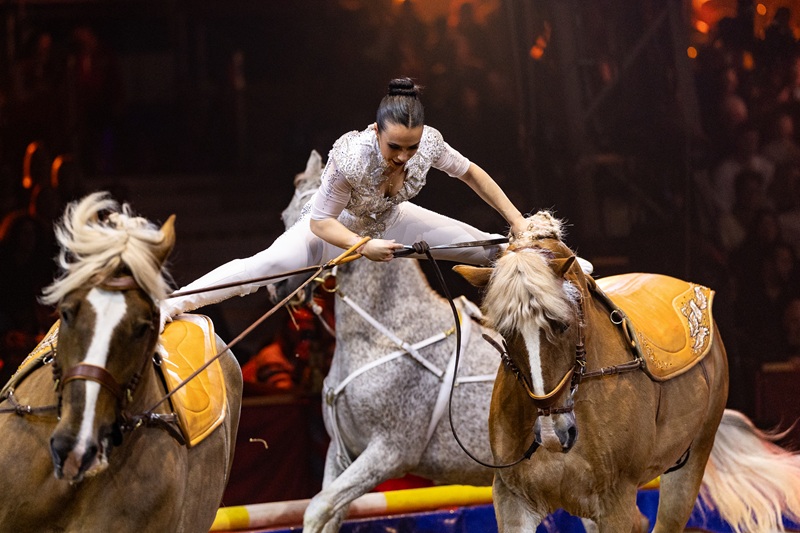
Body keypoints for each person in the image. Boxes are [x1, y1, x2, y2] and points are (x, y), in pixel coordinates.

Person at [162, 78, 550, 321]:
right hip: (336, 230)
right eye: (394, 146)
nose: (402, 156)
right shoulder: (350, 155)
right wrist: (362, 246)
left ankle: (561, 269)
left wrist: (517, 220)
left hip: (392, 219)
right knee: (266, 265)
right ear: (376, 131)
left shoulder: (429, 143)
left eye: (410, 147)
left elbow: (471, 173)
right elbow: (319, 222)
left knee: (484, 246)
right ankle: (173, 303)